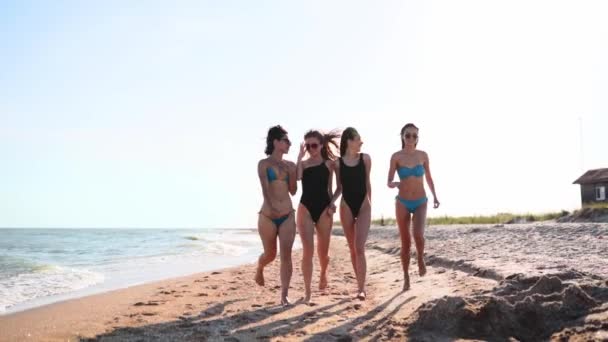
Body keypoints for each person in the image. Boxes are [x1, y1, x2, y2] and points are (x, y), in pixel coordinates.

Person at [387, 123, 440, 291]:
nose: (411, 138)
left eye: (414, 136)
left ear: (418, 138)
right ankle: (406, 276)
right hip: (402, 202)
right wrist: (393, 183)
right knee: (405, 242)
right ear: (402, 136)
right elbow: (388, 181)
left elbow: (429, 178)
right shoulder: (396, 156)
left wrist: (436, 196)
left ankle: (420, 258)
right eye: (408, 135)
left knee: (418, 235)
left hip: (420, 201)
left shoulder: (422, 155)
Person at [296, 129, 340, 304]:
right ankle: (307, 292)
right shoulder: (304, 164)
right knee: (308, 251)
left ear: (321, 145)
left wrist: (332, 202)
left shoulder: (330, 164)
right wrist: (299, 158)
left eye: (314, 145)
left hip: (324, 209)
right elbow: (298, 177)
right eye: (307, 146)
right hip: (305, 207)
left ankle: (323, 272)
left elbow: (339, 188)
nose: (311, 149)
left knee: (323, 252)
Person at [256, 125, 297, 305]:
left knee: (286, 255)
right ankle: (259, 267)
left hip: (287, 214)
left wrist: (293, 172)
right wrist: (271, 207)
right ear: (276, 142)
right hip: (267, 215)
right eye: (286, 140)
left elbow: (294, 191)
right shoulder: (264, 164)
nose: (289, 144)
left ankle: (284, 295)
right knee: (270, 254)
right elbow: (265, 189)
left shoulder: (290, 165)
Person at [330, 127, 372, 300]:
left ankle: (361, 289)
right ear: (349, 141)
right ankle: (359, 283)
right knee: (353, 249)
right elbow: (339, 187)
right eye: (358, 139)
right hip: (346, 205)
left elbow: (367, 183)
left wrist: (370, 203)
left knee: (360, 247)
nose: (361, 142)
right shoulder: (338, 163)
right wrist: (331, 201)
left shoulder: (366, 159)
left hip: (363, 205)